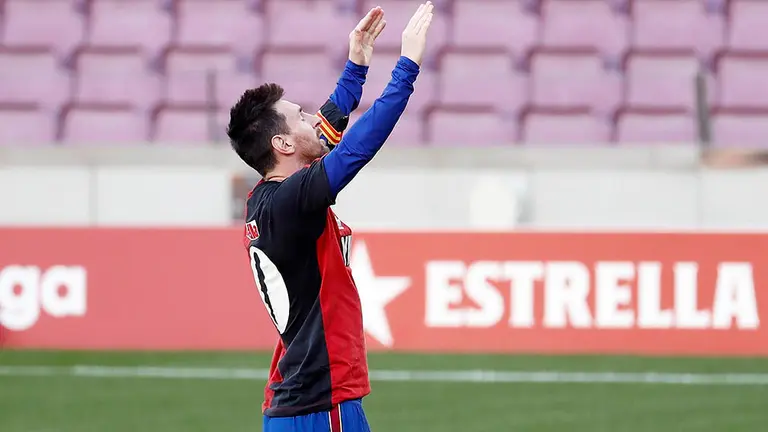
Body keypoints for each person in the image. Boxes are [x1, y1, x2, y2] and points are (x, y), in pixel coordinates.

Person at [226, 2, 434, 431]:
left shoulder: (269, 200)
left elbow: (323, 132)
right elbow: (357, 146)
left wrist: (357, 63)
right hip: (320, 404)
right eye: (300, 115)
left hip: (298, 402)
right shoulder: (292, 201)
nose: (313, 119)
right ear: (283, 144)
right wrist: (407, 66)